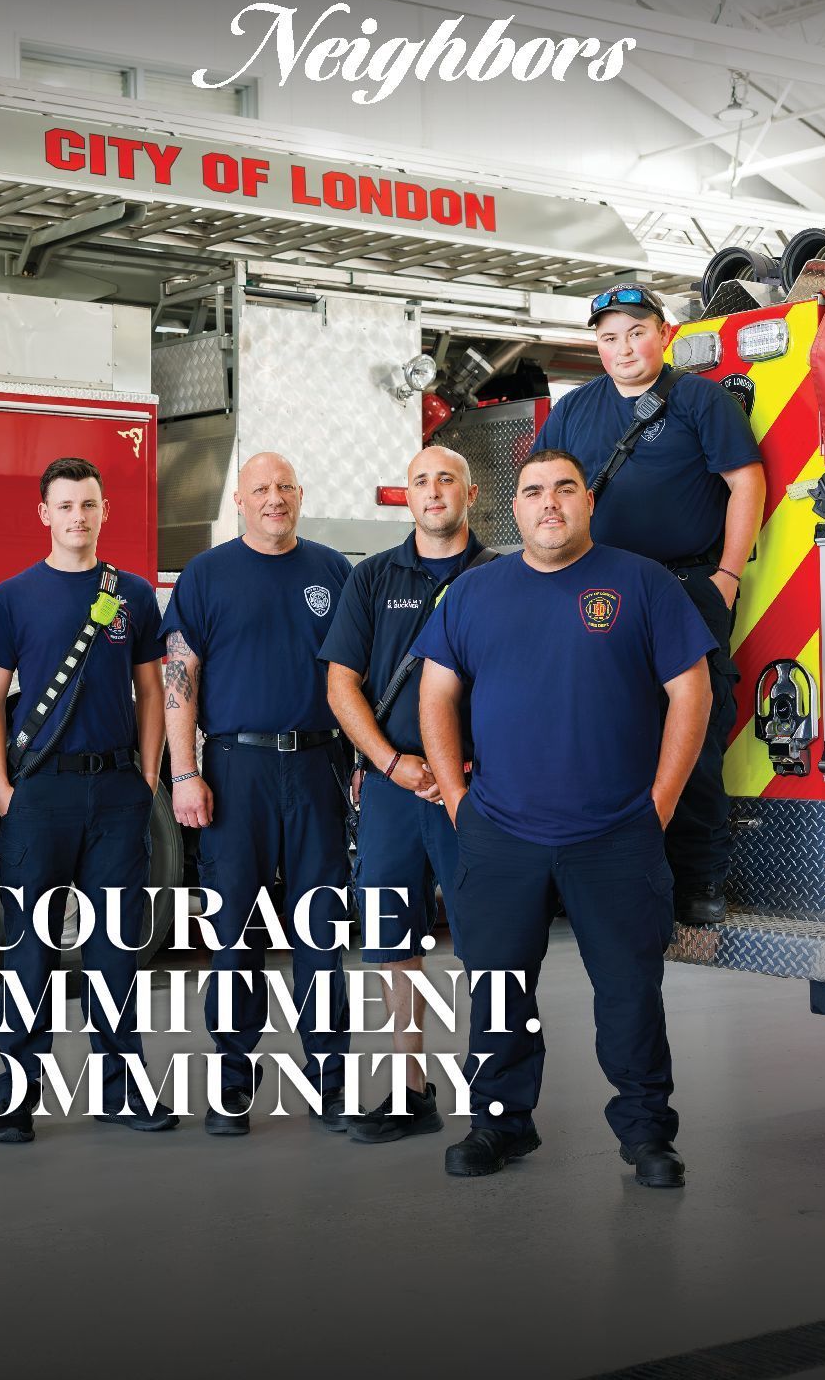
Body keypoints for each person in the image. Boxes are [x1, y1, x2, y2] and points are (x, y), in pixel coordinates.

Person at [416, 449, 715, 1189]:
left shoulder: (642, 583)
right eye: (533, 492)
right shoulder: (474, 593)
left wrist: (661, 802)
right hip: (502, 833)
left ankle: (647, 1135)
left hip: (616, 834)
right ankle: (498, 1124)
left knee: (629, 995)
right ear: (511, 510)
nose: (549, 503)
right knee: (497, 991)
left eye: (564, 489)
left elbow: (692, 691)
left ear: (587, 502)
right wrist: (458, 799)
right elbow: (435, 697)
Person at [532, 283, 765, 924]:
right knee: (603, 733)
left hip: (686, 588)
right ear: (596, 347)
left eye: (636, 331)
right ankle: (612, 881)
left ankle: (698, 881)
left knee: (696, 737)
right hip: (597, 593)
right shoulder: (574, 411)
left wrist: (725, 575)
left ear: (664, 333)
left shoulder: (698, 400)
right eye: (609, 337)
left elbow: (747, 481)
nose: (624, 347)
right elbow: (542, 493)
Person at [0, 455, 177, 1139]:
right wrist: (2, 785)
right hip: (40, 793)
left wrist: (147, 775)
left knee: (115, 949)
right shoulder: (13, 597)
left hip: (117, 792)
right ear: (44, 513)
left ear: (104, 511)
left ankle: (121, 1088)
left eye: (88, 505)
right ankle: (17, 1094)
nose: (77, 517)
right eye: (64, 506)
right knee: (28, 950)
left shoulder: (134, 597)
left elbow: (151, 690)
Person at [161, 451, 353, 1136]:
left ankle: (331, 1083)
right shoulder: (208, 575)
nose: (274, 497)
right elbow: (178, 676)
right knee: (233, 937)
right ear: (238, 499)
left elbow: (351, 675)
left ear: (300, 496)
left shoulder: (334, 571)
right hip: (234, 773)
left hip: (316, 768)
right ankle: (232, 1084)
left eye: (285, 487)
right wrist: (184, 773)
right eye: (261, 488)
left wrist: (359, 756)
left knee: (320, 935)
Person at [322, 445, 491, 1144]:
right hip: (396, 788)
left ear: (471, 494)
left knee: (491, 939)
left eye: (446, 478)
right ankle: (411, 1089)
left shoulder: (501, 578)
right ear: (408, 496)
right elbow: (341, 684)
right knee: (395, 938)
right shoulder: (370, 579)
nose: (433, 490)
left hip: (478, 789)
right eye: (421, 480)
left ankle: (498, 1099)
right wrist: (389, 763)